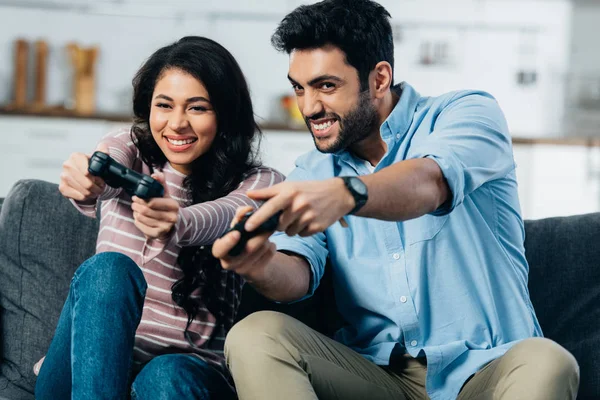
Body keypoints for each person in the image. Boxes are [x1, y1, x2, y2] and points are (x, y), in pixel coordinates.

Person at [212, 1, 580, 399]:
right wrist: (260, 263)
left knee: (548, 360)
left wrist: (348, 194)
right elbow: (297, 276)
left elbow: (430, 181)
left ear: (379, 78)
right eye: (299, 87)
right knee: (256, 334)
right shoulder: (312, 172)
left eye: (326, 86)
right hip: (379, 377)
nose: (308, 107)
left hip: (489, 370)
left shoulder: (466, 113)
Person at [33, 36, 284, 400]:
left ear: (226, 114)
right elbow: (109, 161)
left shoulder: (262, 182)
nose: (177, 124)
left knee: (166, 374)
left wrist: (177, 222)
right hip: (81, 375)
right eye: (164, 105)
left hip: (181, 378)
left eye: (197, 108)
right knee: (109, 270)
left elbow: (228, 214)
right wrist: (89, 179)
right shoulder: (132, 150)